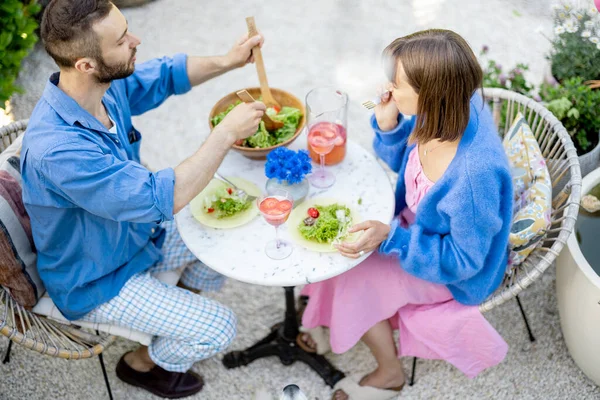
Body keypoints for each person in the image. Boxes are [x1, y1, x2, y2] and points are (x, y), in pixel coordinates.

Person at [21, 0, 266, 398]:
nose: (136, 40)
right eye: (122, 40)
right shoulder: (60, 151)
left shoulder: (99, 87)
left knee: (227, 225)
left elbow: (164, 76)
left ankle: (179, 307)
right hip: (97, 278)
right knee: (219, 327)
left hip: (135, 238)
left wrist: (228, 61)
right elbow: (161, 198)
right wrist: (224, 133)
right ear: (86, 63)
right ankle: (142, 364)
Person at [297, 29, 513, 400]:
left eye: (396, 84)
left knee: (351, 269)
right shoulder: (445, 108)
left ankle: (390, 373)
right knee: (343, 243)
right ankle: (329, 315)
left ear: (431, 92)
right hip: (419, 229)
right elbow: (410, 167)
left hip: (452, 268)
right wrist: (389, 125)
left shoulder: (474, 177)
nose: (387, 89)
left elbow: (465, 260)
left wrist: (392, 237)